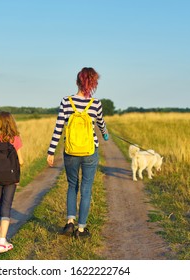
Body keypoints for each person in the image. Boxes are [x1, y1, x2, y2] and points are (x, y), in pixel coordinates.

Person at [47, 67, 108, 238]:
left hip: (71, 151)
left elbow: (59, 127)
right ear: (94, 83)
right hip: (90, 151)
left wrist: (51, 151)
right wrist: (104, 133)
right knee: (86, 189)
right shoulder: (96, 104)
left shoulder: (66, 101)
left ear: (77, 82)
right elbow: (101, 123)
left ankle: (69, 223)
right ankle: (81, 229)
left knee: (72, 186)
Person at [0, 111, 24, 253]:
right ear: (11, 122)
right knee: (6, 206)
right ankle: (3, 241)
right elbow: (21, 161)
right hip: (10, 178)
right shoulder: (15, 139)